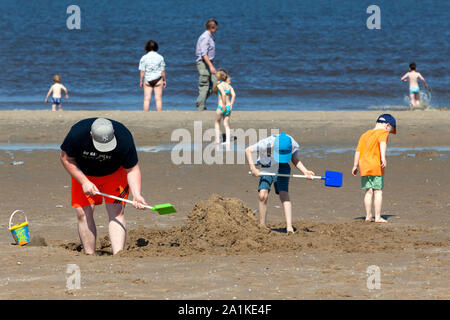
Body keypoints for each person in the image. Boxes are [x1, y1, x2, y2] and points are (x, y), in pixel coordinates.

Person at [60, 118, 148, 255]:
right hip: (84, 174)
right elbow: (66, 158)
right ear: (91, 134)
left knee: (116, 210)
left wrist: (137, 194)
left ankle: (119, 255)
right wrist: (84, 181)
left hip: (115, 174)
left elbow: (132, 169)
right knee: (83, 212)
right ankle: (90, 255)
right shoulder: (77, 134)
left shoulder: (124, 137)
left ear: (113, 133)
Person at [246, 132, 315, 234]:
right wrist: (253, 169)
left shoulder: (292, 144)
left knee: (283, 194)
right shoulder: (266, 144)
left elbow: (294, 159)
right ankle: (262, 226)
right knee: (262, 195)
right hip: (267, 166)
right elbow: (248, 150)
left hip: (282, 167)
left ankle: (289, 227)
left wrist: (305, 171)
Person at [352, 114, 397, 223]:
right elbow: (382, 144)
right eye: (391, 130)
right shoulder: (383, 133)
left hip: (364, 166)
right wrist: (383, 157)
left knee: (368, 191)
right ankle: (377, 217)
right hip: (376, 165)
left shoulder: (365, 134)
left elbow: (358, 151)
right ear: (387, 125)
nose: (390, 132)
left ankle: (368, 216)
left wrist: (355, 165)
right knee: (378, 191)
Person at [195, 19, 218, 111]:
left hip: (208, 63)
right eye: (216, 28)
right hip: (204, 63)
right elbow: (204, 54)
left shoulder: (209, 36)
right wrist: (211, 66)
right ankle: (201, 106)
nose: (216, 30)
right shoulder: (205, 37)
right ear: (212, 28)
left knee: (214, 85)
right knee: (204, 84)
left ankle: (200, 101)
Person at [139, 40, 166, 111]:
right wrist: (164, 80)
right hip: (158, 79)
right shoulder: (160, 57)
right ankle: (159, 114)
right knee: (158, 99)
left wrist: (141, 81)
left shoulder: (144, 57)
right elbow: (162, 70)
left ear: (147, 48)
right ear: (156, 47)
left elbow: (142, 71)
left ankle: (146, 114)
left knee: (147, 99)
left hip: (147, 79)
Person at [213, 69, 236, 145]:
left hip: (221, 106)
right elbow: (234, 95)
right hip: (229, 106)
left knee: (217, 122)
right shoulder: (229, 86)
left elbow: (223, 94)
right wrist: (231, 105)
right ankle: (228, 141)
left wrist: (223, 104)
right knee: (226, 124)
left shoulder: (219, 85)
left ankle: (217, 140)